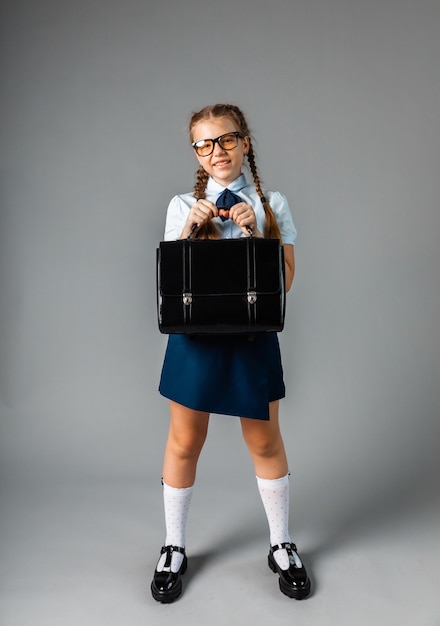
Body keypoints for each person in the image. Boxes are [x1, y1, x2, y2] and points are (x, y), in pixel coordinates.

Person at [151, 103, 311, 603]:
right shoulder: (181, 205)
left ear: (245, 143)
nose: (216, 151)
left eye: (226, 139)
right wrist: (187, 234)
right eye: (204, 143)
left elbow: (284, 284)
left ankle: (280, 543)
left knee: (264, 441)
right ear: (195, 154)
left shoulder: (271, 203)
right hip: (195, 339)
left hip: (250, 336)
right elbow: (171, 290)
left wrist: (259, 233)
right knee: (183, 441)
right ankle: (174, 546)